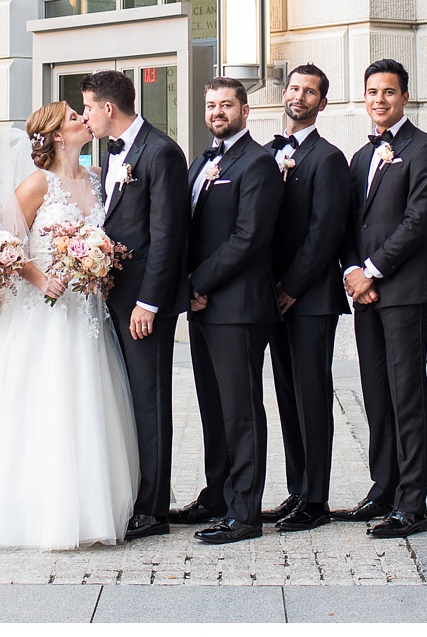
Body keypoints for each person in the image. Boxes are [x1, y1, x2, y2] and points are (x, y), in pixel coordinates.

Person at [0, 102, 140, 549]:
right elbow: (6, 242)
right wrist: (39, 277)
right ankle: (29, 514)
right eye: (73, 117)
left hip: (84, 308)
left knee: (84, 400)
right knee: (39, 400)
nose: (83, 120)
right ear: (54, 134)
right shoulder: (36, 183)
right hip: (41, 308)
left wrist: (95, 264)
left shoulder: (94, 180)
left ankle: (87, 513)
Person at [336, 58, 427, 540]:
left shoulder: (425, 150)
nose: (379, 100)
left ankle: (412, 503)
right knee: (375, 393)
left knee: (406, 394)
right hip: (365, 293)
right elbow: (347, 224)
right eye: (372, 92)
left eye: (389, 92)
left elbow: (418, 221)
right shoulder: (360, 157)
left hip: (404, 291)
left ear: (405, 96)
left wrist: (374, 270)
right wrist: (351, 271)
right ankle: (383, 486)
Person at [169, 77, 282, 544]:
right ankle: (216, 494)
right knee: (212, 407)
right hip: (204, 307)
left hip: (237, 306)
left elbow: (248, 238)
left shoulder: (257, 163)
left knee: (241, 411)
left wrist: (197, 283)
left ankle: (245, 512)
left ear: (245, 110)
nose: (217, 111)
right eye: (211, 104)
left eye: (226, 105)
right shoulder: (202, 161)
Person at [81, 69, 188, 540]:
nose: (85, 117)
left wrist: (149, 302)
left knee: (150, 401)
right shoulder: (112, 151)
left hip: (144, 305)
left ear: (108, 108)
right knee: (127, 401)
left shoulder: (161, 152)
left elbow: (168, 237)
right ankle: (134, 497)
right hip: (113, 298)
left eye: (87, 108)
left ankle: (153, 509)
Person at [260, 63, 349, 534]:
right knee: (288, 395)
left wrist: (291, 288)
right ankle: (296, 489)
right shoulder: (268, 153)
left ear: (322, 103)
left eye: (309, 91)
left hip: (310, 299)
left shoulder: (328, 158)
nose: (299, 96)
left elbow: (325, 233)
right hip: (272, 299)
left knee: (312, 396)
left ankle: (317, 499)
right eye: (294, 88)